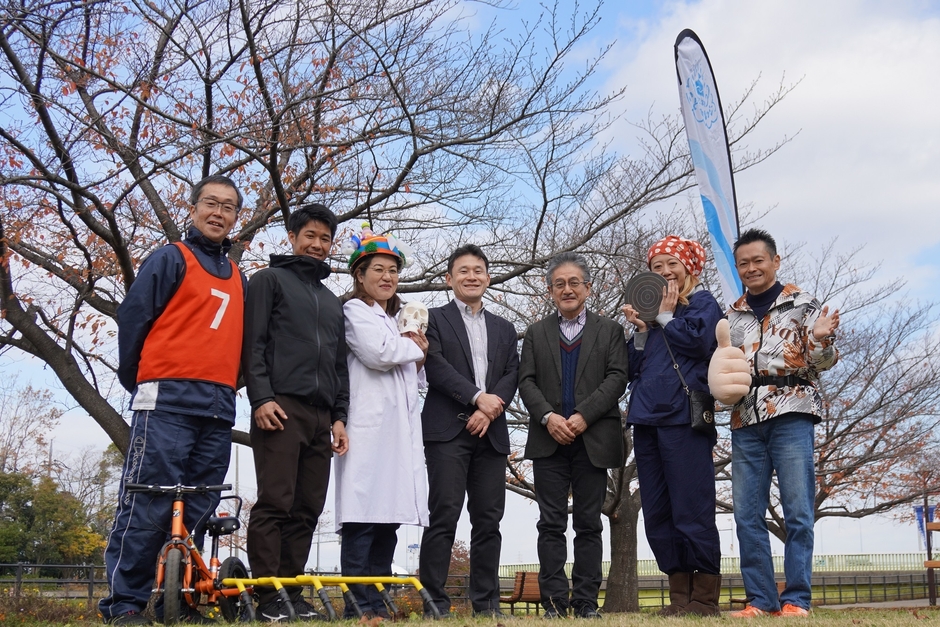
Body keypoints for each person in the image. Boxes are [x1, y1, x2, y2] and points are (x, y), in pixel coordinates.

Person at [100, 175, 247, 625]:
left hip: (218, 407)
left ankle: (178, 600)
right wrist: (139, 379)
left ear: (235, 218)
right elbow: (134, 316)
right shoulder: (170, 258)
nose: (218, 213)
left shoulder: (240, 276)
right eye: (211, 203)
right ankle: (124, 604)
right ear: (193, 208)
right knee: (149, 503)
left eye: (228, 207)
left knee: (197, 508)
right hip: (166, 401)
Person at [716, 229, 840, 618]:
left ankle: (797, 599)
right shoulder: (732, 314)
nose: (751, 268)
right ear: (737, 268)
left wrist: (820, 340)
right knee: (745, 513)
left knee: (798, 510)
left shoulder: (803, 304)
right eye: (743, 263)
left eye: (758, 261)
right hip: (745, 417)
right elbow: (723, 367)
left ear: (775, 261)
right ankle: (761, 600)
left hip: (792, 409)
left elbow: (823, 364)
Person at [241, 203, 350, 622]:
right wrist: (261, 397)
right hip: (280, 407)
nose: (318, 245)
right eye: (311, 236)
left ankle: (292, 593)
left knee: (307, 506)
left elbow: (340, 366)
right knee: (275, 501)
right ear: (292, 237)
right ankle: (267, 596)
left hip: (321, 416)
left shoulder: (331, 301)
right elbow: (254, 344)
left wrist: (340, 416)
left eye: (325, 239)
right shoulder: (268, 281)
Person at [518, 252, 629, 619]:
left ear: (588, 288)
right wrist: (549, 417)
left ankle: (585, 603)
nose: (567, 289)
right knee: (550, 524)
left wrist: (583, 416)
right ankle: (553, 603)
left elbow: (617, 377)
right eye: (559, 284)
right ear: (550, 290)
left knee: (588, 524)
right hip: (548, 439)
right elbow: (526, 381)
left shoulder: (609, 330)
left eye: (574, 283)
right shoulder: (535, 333)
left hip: (592, 440)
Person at [622, 236, 724, 616]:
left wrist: (664, 318)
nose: (665, 272)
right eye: (657, 266)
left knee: (691, 506)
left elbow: (700, 344)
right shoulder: (651, 314)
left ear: (690, 268)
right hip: (646, 418)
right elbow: (634, 368)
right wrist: (642, 329)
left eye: (672, 264)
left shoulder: (702, 303)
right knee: (658, 510)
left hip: (684, 419)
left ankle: (704, 598)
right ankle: (679, 598)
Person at [418, 245, 520, 618]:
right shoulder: (432, 319)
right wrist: (478, 398)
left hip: (491, 434)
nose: (472, 276)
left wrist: (491, 409)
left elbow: (513, 373)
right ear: (449, 278)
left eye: (478, 270)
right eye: (463, 271)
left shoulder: (504, 328)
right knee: (443, 514)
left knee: (489, 520)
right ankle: (434, 603)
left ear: (488, 277)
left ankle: (487, 604)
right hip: (447, 431)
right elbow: (435, 365)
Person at [334, 227, 429, 620]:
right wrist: (416, 347)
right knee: (361, 521)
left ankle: (378, 603)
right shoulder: (355, 311)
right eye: (378, 269)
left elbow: (413, 373)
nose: (387, 277)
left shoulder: (393, 319)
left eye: (393, 270)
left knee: (388, 523)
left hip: (397, 435)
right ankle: (358, 606)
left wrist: (416, 354)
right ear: (359, 274)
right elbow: (379, 353)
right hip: (366, 432)